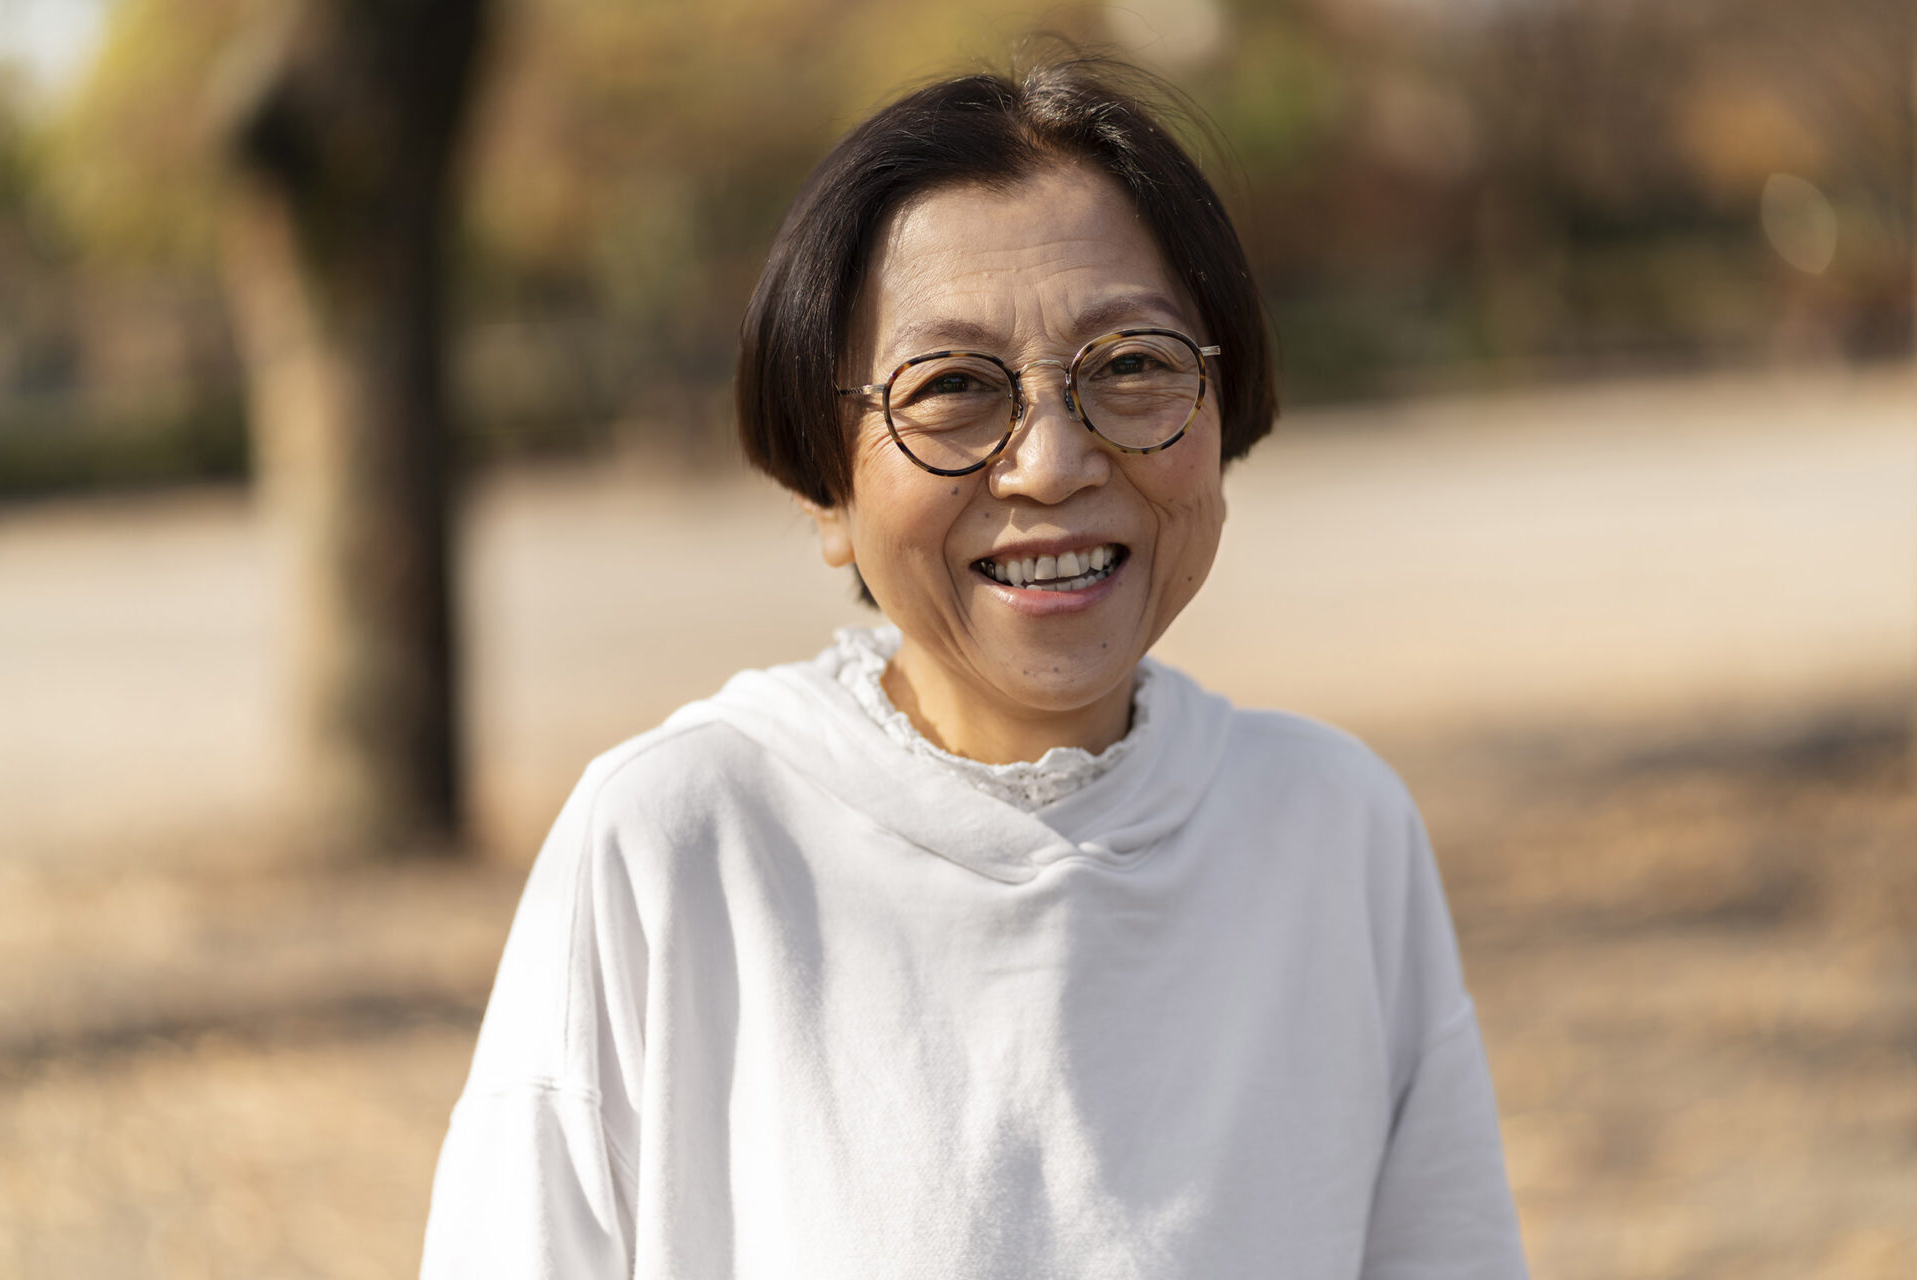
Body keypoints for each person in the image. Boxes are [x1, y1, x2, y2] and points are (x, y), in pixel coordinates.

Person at [420, 55, 1528, 1279]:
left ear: (1224, 409)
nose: (1051, 463)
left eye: (1132, 364)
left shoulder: (1334, 829)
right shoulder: (680, 842)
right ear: (826, 488)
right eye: (950, 386)